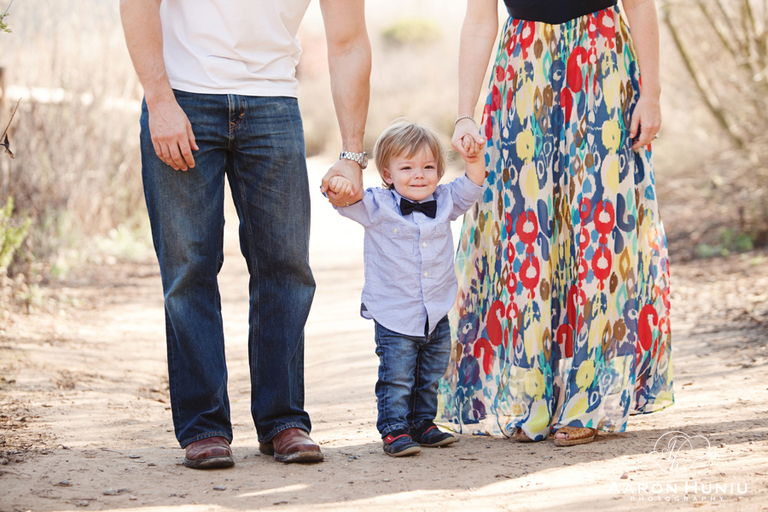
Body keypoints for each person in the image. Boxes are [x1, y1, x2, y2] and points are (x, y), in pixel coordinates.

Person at [119, 0, 371, 468]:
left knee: (287, 266)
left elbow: (349, 41)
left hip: (273, 103)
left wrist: (352, 154)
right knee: (189, 268)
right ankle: (204, 427)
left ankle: (283, 421)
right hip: (183, 99)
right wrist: (159, 100)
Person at [441, 0, 673, 446]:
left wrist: (652, 92)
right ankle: (531, 397)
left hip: (603, 64)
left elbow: (641, 4)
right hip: (522, 70)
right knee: (525, 231)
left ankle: (592, 399)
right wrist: (465, 111)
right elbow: (478, 18)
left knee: (602, 229)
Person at [328, 122, 485, 456]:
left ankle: (423, 423)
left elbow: (473, 184)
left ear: (440, 172)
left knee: (430, 373)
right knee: (397, 377)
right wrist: (340, 183)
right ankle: (394, 429)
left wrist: (473, 157)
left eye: (428, 167)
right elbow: (342, 201)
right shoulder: (375, 205)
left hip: (436, 311)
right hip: (394, 312)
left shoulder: (445, 201)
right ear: (387, 174)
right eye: (407, 167)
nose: (419, 175)